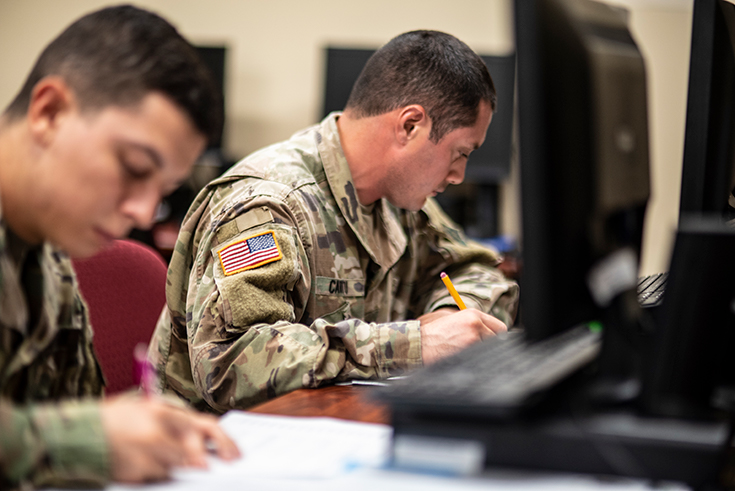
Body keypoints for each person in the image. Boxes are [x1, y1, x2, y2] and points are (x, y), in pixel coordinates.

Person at [149, 30, 520, 414]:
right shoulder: (267, 203)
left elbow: (478, 268)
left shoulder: (400, 201)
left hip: (333, 428)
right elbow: (233, 362)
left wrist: (450, 320)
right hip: (219, 449)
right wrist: (415, 344)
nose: (460, 175)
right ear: (410, 125)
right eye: (459, 153)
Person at [0, 6, 240, 489]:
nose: (144, 210)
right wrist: (86, 439)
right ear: (49, 112)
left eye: (164, 186)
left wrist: (147, 424)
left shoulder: (50, 257)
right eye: (133, 167)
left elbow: (64, 411)